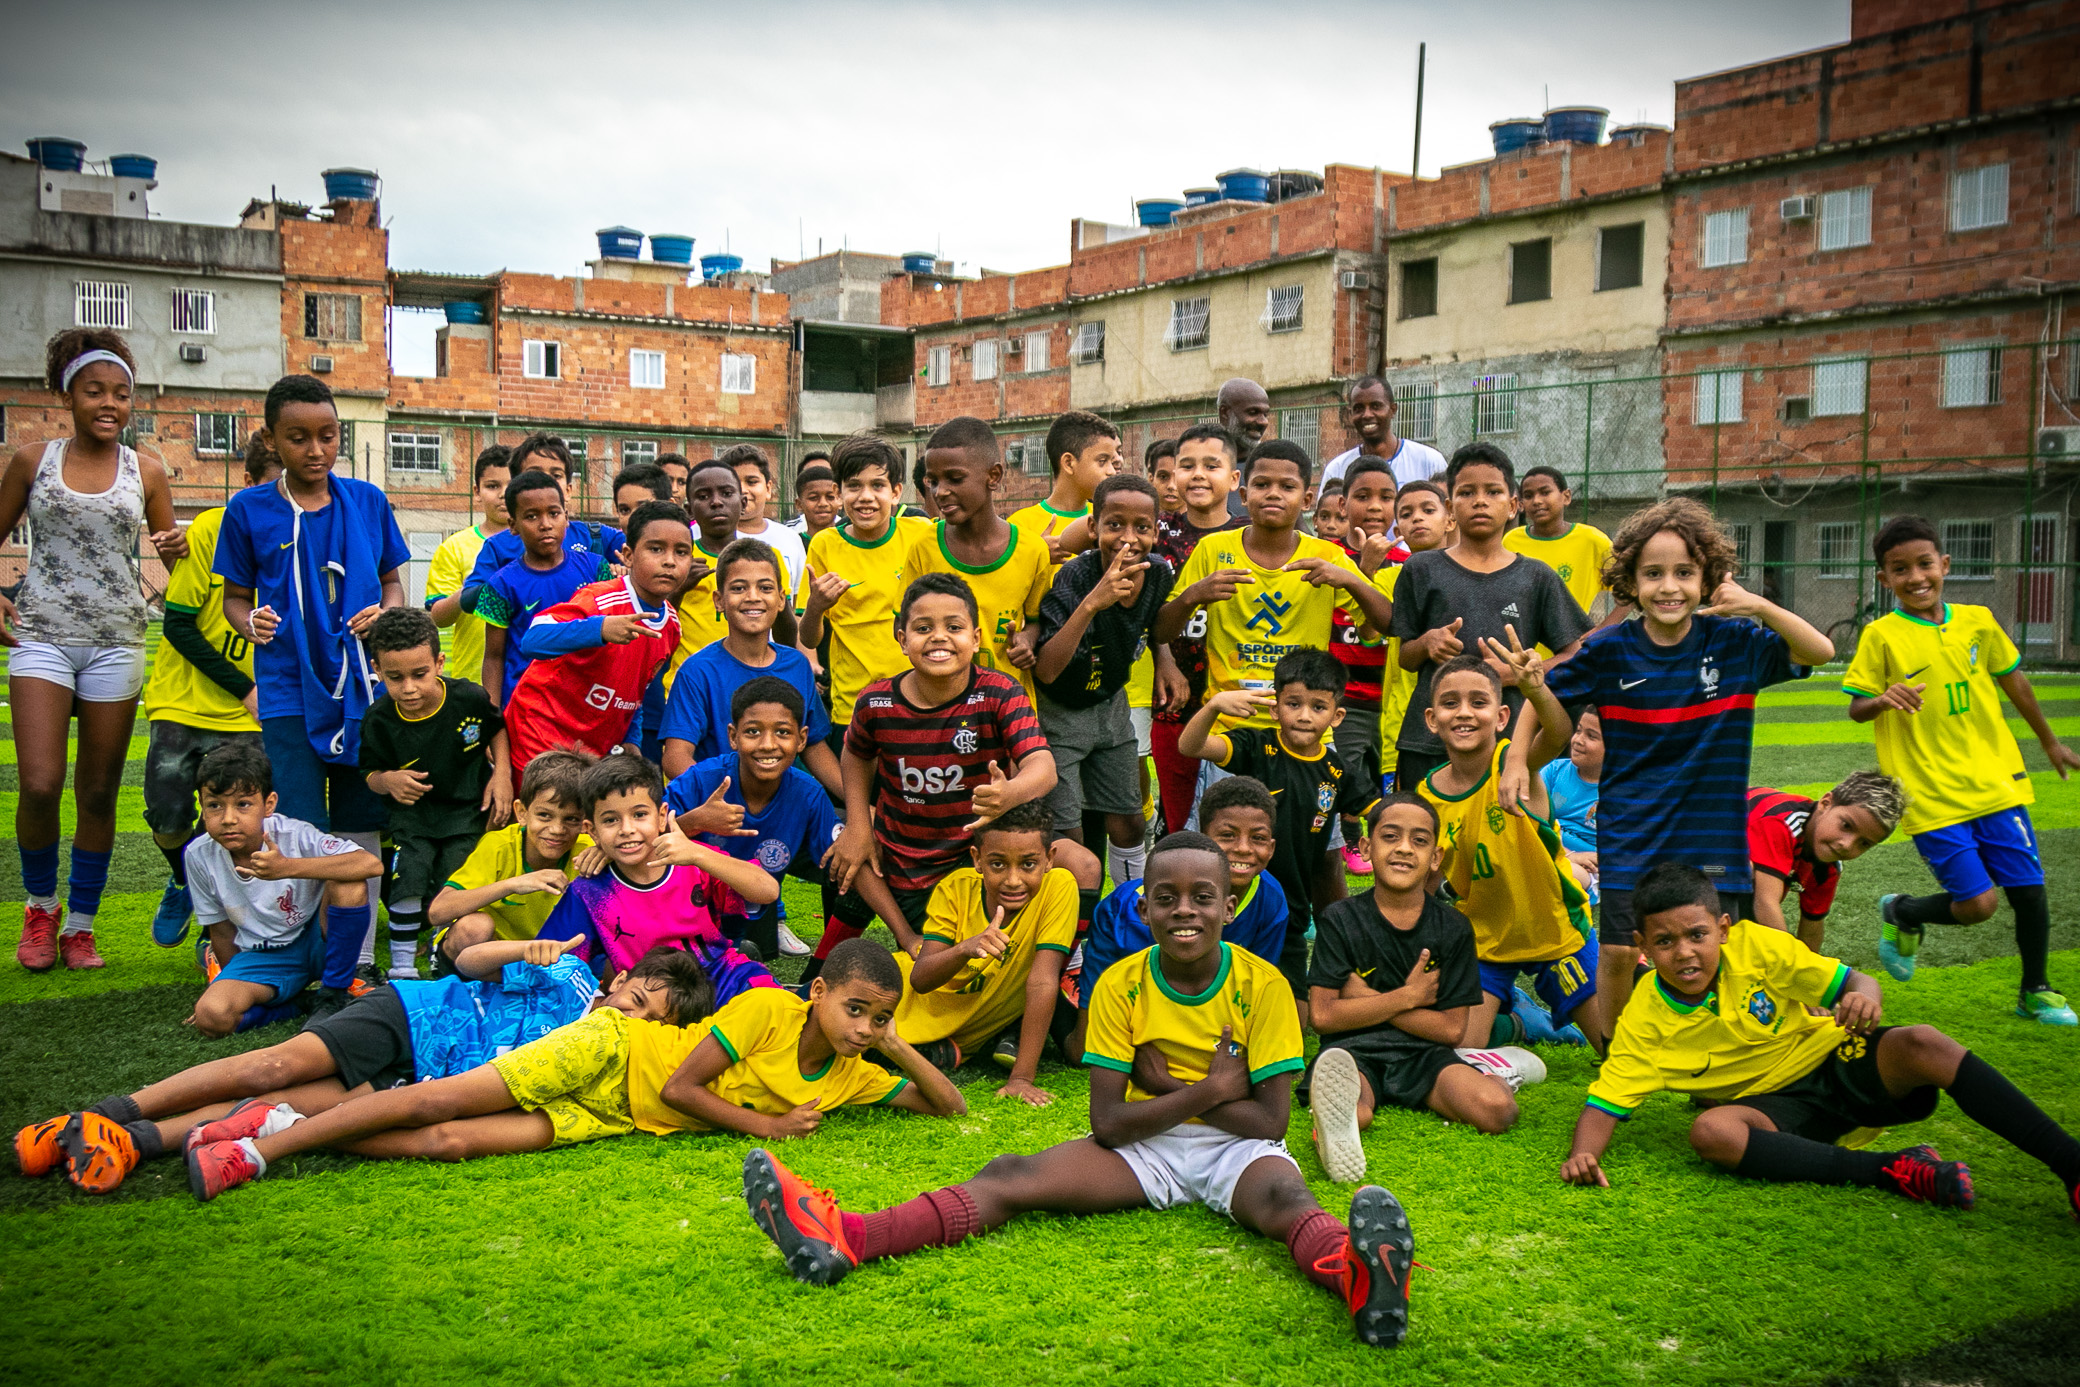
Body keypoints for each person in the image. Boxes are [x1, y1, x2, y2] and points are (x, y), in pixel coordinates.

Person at [742, 832, 1422, 1352]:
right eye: (1167, 897)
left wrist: (1166, 1084)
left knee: (1286, 1197)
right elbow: (1109, 1122)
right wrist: (1209, 1087)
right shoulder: (1123, 982)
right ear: (1143, 904)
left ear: (1228, 903)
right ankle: (848, 1237)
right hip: (1145, 1142)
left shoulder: (1265, 986)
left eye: (1203, 896)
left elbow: (1268, 1118)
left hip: (1236, 1149)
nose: (1185, 909)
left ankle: (1360, 1277)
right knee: (1011, 1174)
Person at [1560, 863, 2080, 1224]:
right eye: (1666, 942)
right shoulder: (1644, 1019)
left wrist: (1865, 997)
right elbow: (1605, 1103)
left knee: (1924, 1041)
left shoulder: (1757, 946)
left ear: (1722, 928)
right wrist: (1583, 1155)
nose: (1685, 953)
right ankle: (1897, 1170)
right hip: (1776, 1110)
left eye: (1697, 934)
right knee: (1713, 1132)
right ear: (1643, 948)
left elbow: (1856, 982)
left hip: (1833, 1058)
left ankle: (2071, 1164)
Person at [16, 933, 702, 1195]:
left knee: (306, 1103)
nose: (633, 1016)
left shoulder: (605, 1058)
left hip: (422, 1080)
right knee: (271, 1067)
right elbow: (464, 961)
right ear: (622, 978)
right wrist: (522, 948)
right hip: (413, 1014)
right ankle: (109, 1110)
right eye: (637, 998)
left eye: (652, 1019)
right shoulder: (576, 976)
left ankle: (133, 1142)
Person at [1512, 496, 1833, 1022]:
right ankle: (1617, 1056)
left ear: (1707, 578)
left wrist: (1758, 606)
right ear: (1631, 582)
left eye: (1684, 572)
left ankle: (1718, 1046)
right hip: (1633, 829)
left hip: (1711, 834)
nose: (1669, 586)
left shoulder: (1736, 642)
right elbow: (1539, 693)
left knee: (1713, 952)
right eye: (1653, 573)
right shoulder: (1609, 649)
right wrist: (1513, 765)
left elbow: (1818, 652)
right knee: (1618, 950)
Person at [217, 374, 407, 1006]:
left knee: (361, 821)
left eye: (328, 436)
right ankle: (294, 949)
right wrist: (254, 622)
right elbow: (235, 602)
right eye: (298, 438)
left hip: (360, 684)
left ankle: (351, 960)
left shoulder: (367, 500)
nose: (316, 450)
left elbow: (394, 587)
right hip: (288, 687)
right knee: (297, 823)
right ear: (273, 438)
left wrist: (381, 612)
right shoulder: (248, 510)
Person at [1846, 516, 2080, 1026]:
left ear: (1944, 565)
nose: (1916, 577)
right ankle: (1904, 911)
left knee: (2029, 890)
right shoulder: (1880, 634)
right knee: (1978, 906)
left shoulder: (1977, 620)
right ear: (1884, 579)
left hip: (1996, 781)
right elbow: (1857, 707)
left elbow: (2013, 681)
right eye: (1899, 569)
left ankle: (2035, 989)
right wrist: (1882, 699)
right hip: (1928, 791)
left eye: (1924, 564)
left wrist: (2050, 742)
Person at [2, 329, 187, 970]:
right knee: (41, 781)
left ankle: (81, 925)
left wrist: (172, 552)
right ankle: (39, 907)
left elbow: (172, 553)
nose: (110, 404)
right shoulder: (33, 461)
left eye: (122, 394)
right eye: (95, 391)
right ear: (68, 395)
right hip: (42, 636)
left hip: (117, 640)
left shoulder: (149, 469)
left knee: (100, 791)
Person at [821, 574, 1063, 961]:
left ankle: (1067, 962)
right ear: (902, 639)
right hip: (901, 855)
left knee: (1081, 865)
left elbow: (1043, 767)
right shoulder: (876, 702)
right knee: (850, 852)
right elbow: (855, 753)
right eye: (922, 628)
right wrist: (858, 823)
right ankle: (825, 963)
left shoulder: (1000, 692)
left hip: (972, 857)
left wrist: (1009, 794)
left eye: (953, 627)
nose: (938, 637)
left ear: (976, 638)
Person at [1308, 797, 1540, 1185]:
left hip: (1424, 1056)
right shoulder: (1339, 918)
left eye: (1418, 841)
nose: (1403, 848)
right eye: (1390, 836)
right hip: (1352, 1052)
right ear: (1366, 848)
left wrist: (1376, 999)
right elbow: (1323, 1017)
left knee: (1498, 1111)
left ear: (1436, 857)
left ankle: (1493, 1072)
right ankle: (1330, 1131)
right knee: (1356, 1113)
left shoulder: (1453, 928)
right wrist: (1409, 997)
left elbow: (1452, 1032)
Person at [1416, 650, 1607, 1054]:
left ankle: (1548, 1013)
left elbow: (1556, 732)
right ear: (1432, 720)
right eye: (1450, 703)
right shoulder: (1426, 795)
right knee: (1464, 1052)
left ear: (1502, 717)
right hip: (1484, 942)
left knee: (1615, 1048)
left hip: (1556, 932)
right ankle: (1522, 1021)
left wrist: (1534, 688)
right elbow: (1427, 880)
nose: (1464, 713)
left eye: (1478, 702)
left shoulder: (1516, 766)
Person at [1178, 649, 1381, 1011]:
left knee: (1295, 1021)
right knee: (1214, 1002)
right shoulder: (1256, 746)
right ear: (1275, 709)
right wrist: (1213, 707)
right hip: (1230, 906)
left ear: (1337, 716)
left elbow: (1382, 813)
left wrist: (1381, 838)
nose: (1304, 716)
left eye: (1318, 707)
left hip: (1290, 915)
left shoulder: (1339, 772)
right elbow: (1189, 745)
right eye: (1293, 704)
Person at [1155, 440, 1394, 742]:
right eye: (1262, 484)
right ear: (1243, 495)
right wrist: (1194, 595)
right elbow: (1162, 631)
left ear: (1307, 499)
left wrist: (1351, 579)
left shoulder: (1327, 556)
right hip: (1230, 730)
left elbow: (1387, 623)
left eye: (1287, 487)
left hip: (1305, 733)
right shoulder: (1213, 550)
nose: (1273, 494)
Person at [1386, 443, 1589, 794]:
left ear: (1512, 506)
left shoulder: (1536, 577)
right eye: (1466, 492)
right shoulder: (1421, 569)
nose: (1480, 501)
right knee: (1422, 835)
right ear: (1450, 508)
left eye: (1493, 491)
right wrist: (1426, 643)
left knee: (1499, 842)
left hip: (1507, 745)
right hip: (1428, 739)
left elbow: (1577, 654)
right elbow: (1405, 657)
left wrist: (1520, 675)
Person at [142, 434, 280, 949]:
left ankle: (218, 919)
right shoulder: (212, 528)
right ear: (246, 483)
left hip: (251, 716)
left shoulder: (303, 533)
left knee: (242, 821)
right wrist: (244, 686)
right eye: (271, 486)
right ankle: (184, 878)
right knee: (170, 813)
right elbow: (178, 625)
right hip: (185, 701)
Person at [1065, 775, 1291, 1060]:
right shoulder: (1127, 912)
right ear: (1203, 837)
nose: (1243, 848)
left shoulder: (1270, 901)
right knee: (1081, 1050)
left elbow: (1257, 993)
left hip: (1206, 997)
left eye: (1257, 838)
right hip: (1131, 983)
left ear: (1271, 847)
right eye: (1228, 835)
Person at [647, 938, 968, 1135]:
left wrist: (893, 1043)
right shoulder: (769, 1008)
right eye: (855, 1010)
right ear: (818, 991)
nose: (865, 1029)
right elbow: (678, 1089)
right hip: (626, 1053)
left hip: (628, 1112)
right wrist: (771, 1127)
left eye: (880, 1018)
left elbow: (952, 1108)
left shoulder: (852, 1075)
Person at [666, 677, 889, 961]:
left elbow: (851, 866)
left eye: (782, 732)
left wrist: (905, 935)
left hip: (751, 910)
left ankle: (821, 969)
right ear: (733, 736)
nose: (768, 744)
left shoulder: (807, 794)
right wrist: (695, 822)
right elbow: (643, 841)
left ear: (802, 739)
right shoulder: (702, 780)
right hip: (679, 921)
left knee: (857, 855)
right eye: (753, 732)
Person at [179, 742, 383, 1038]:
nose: (228, 818)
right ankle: (301, 1003)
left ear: (269, 804)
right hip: (263, 956)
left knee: (348, 882)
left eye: (243, 804)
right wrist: (228, 985)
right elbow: (221, 932)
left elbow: (370, 864)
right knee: (211, 1017)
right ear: (201, 805)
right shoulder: (197, 854)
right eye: (215, 805)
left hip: (319, 940)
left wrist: (286, 867)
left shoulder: (294, 834)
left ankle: (334, 992)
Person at [534, 754, 780, 995]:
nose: (627, 830)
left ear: (662, 816)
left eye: (639, 815)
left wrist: (698, 854)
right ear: (592, 831)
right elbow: (556, 965)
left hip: (720, 979)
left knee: (776, 1009)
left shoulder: (693, 861)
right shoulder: (589, 892)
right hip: (651, 1000)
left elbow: (767, 891)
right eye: (610, 820)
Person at [1034, 473, 1174, 890]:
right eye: (1114, 525)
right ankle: (1077, 930)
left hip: (1111, 706)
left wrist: (1164, 658)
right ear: (1093, 527)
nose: (1128, 538)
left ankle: (1131, 909)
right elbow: (1046, 669)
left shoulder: (1159, 572)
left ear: (1155, 531)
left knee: (1129, 819)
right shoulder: (1073, 578)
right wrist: (1094, 601)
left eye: (1142, 528)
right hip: (1060, 714)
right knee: (1069, 833)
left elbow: (1151, 624)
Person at [359, 608, 513, 979]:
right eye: (395, 678)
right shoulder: (378, 719)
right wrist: (389, 780)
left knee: (455, 877)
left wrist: (503, 774)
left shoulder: (469, 698)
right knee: (409, 875)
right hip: (412, 816)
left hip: (466, 808)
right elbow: (369, 774)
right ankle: (400, 965)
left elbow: (497, 728)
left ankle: (441, 952)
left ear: (439, 662)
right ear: (377, 670)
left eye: (419, 674)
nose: (409, 688)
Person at [893, 801, 1076, 1105]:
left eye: (1028, 864)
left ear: (1049, 859)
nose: (1013, 879)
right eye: (998, 864)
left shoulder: (1059, 888)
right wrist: (965, 949)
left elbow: (1043, 981)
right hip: (898, 1001)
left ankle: (930, 1049)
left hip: (957, 1035)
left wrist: (1021, 1078)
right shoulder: (954, 889)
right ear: (977, 859)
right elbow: (920, 979)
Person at [501, 500, 689, 776]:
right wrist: (599, 629)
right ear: (628, 555)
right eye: (656, 549)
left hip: (593, 752)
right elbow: (533, 638)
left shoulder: (671, 626)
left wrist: (631, 741)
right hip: (540, 737)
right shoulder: (600, 598)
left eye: (681, 552)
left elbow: (634, 693)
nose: (669, 561)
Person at [796, 434, 936, 752]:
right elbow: (809, 638)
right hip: (853, 705)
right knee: (859, 797)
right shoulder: (825, 545)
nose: (865, 497)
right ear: (840, 492)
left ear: (896, 492)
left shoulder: (921, 535)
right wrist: (816, 606)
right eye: (854, 486)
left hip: (919, 698)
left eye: (878, 486)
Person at [660, 538, 838, 789]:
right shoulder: (697, 671)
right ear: (719, 601)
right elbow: (675, 758)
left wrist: (859, 807)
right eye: (739, 588)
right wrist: (725, 796)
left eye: (765, 588)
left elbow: (814, 747)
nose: (753, 597)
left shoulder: (796, 665)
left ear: (780, 599)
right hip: (719, 808)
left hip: (781, 805)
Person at [905, 417, 1052, 702]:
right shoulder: (924, 546)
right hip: (940, 708)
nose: (940, 492)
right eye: (933, 482)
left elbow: (1037, 620)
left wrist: (1027, 640)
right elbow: (904, 624)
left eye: (955, 479)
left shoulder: (1032, 550)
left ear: (993, 476)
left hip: (1008, 710)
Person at [1148, 424, 1246, 834]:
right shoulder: (1157, 531)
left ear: (1234, 477)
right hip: (1175, 694)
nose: (1198, 475)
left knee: (1237, 817)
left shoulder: (1250, 535)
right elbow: (1148, 610)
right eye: (1186, 466)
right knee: (1180, 818)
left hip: (1237, 702)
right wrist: (1164, 661)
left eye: (1212, 465)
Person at [428, 748, 595, 965]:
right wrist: (514, 884)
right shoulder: (499, 845)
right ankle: (458, 979)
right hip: (490, 954)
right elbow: (437, 912)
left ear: (584, 822)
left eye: (571, 819)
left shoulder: (588, 851)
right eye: (544, 815)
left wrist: (605, 851)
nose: (556, 829)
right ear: (522, 813)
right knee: (473, 928)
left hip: (550, 955)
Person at [476, 469, 614, 706]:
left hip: (585, 700)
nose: (545, 524)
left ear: (566, 517)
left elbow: (609, 641)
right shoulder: (500, 584)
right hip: (526, 704)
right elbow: (494, 657)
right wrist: (492, 717)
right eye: (531, 516)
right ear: (513, 525)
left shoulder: (595, 568)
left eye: (553, 513)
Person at [456, 433, 623, 614]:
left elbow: (643, 558)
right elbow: (468, 600)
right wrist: (513, 578)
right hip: (524, 642)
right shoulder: (498, 546)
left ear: (568, 489)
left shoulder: (596, 536)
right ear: (516, 485)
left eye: (556, 475)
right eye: (535, 474)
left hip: (588, 641)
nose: (546, 481)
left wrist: (622, 572)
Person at [1329, 457, 1400, 864]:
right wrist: (1364, 570)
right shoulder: (1327, 556)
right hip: (1346, 694)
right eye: (1362, 496)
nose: (1375, 506)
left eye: (1385, 497)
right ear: (1342, 504)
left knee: (1380, 777)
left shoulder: (1410, 563)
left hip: (1389, 696)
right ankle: (1347, 842)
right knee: (1343, 774)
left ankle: (1379, 841)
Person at [1748, 772, 1905, 953]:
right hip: (1709, 860)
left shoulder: (1828, 867)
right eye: (1846, 826)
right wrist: (1790, 963)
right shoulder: (1781, 822)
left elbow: (1812, 931)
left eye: (1864, 843)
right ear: (1825, 803)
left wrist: (1807, 974)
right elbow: (1765, 903)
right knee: (1746, 883)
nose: (1847, 845)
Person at [608, 460, 679, 762]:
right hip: (599, 711)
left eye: (642, 506)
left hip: (650, 711)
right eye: (624, 510)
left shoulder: (677, 559)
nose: (633, 517)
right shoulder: (603, 572)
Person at [424, 445, 511, 688]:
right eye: (493, 486)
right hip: (472, 681)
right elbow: (438, 617)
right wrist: (473, 589)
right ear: (477, 491)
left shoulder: (540, 545)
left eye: (511, 485)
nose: (504, 494)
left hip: (529, 677)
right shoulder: (454, 547)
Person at [1502, 466, 1621, 636]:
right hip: (1520, 652)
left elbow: (1631, 589)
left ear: (1566, 497)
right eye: (1528, 496)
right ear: (1521, 504)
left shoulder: (1592, 540)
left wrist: (1602, 630)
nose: (1536, 501)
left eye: (1545, 492)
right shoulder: (1511, 540)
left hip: (1572, 653)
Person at [669, 458, 754, 680]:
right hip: (687, 686)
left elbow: (786, 635)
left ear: (743, 503)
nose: (716, 502)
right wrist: (678, 590)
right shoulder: (677, 559)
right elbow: (656, 627)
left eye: (726, 493)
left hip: (749, 685)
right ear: (689, 510)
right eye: (704, 496)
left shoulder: (764, 559)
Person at [1013, 409, 1120, 579]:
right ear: (1069, 463)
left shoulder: (1111, 519)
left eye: (1112, 462)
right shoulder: (1020, 525)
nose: (1112, 471)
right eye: (1102, 461)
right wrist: (1036, 555)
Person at [1319, 377, 1448, 504]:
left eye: (1376, 406)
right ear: (1350, 414)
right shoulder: (1337, 469)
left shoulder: (1429, 461)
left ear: (1393, 410)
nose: (1367, 415)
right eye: (1359, 409)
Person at [723, 443, 808, 592]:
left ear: (768, 489)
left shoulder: (790, 539)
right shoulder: (698, 534)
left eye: (752, 482)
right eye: (734, 483)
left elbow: (796, 601)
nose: (743, 490)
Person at [1542, 707, 1603, 899]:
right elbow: (1532, 819)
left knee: (1564, 875)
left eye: (1591, 736)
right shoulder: (1554, 771)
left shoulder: (1621, 790)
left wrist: (1574, 858)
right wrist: (1567, 853)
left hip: (1588, 866)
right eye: (1578, 730)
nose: (1577, 740)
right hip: (1546, 846)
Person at [1216, 379, 1271, 520]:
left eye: (1265, 414)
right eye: (1253, 412)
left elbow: (1298, 530)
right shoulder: (1200, 469)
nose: (1263, 422)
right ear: (1224, 414)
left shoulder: (1270, 466)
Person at [789, 461, 840, 537]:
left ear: (840, 500)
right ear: (799, 504)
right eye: (813, 498)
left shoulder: (849, 541)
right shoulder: (794, 543)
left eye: (830, 497)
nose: (823, 503)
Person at [1145, 437, 1181, 513]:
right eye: (1163, 477)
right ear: (1151, 478)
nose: (1171, 486)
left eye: (1178, 477)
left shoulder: (1204, 522)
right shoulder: (1139, 520)